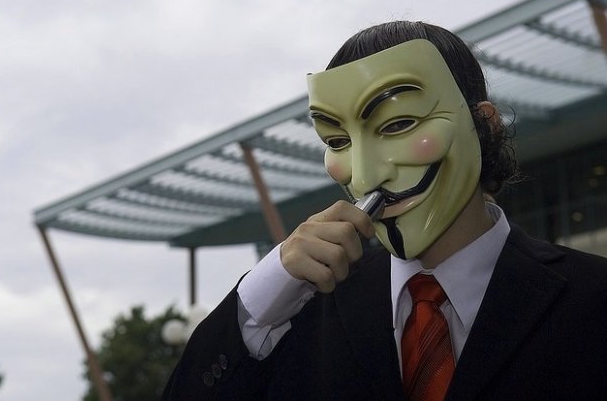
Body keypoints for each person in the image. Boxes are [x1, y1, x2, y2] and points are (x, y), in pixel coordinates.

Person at [161, 21, 607, 401]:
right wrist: (266, 288)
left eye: (398, 125)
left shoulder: (593, 299)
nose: (365, 173)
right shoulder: (300, 314)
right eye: (337, 141)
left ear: (484, 124)